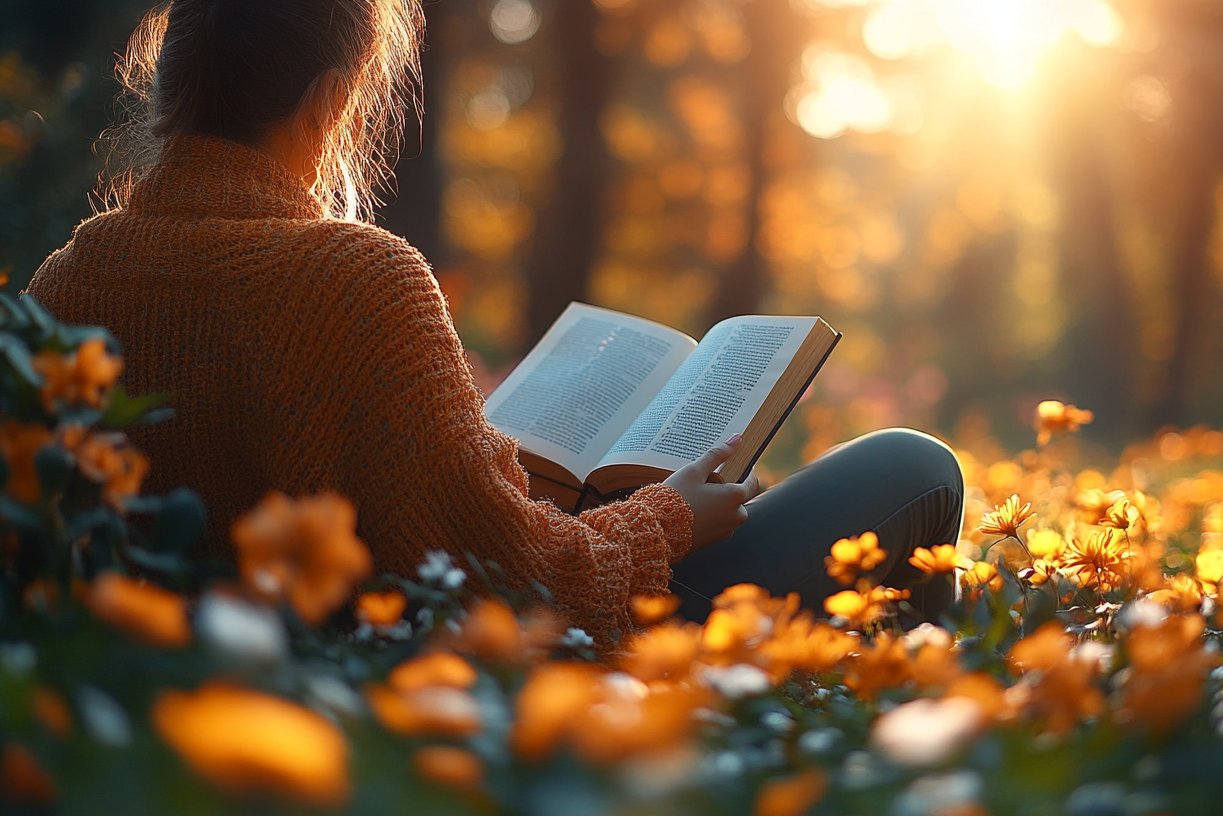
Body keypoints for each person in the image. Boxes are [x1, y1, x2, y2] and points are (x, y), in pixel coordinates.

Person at [26, 0, 964, 642]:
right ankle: (910, 723)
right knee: (915, 467)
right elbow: (517, 581)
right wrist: (671, 516)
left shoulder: (65, 284)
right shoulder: (356, 278)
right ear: (330, 101)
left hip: (191, 675)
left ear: (169, 86)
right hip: (500, 667)